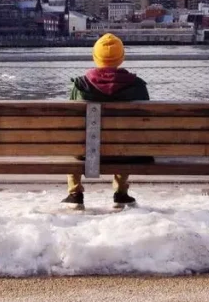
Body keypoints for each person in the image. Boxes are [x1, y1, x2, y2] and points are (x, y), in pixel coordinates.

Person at [63, 33, 150, 210]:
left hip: (85, 153)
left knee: (74, 140)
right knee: (127, 138)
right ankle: (121, 193)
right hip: (124, 152)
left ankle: (75, 194)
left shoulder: (80, 85)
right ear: (122, 57)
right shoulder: (138, 86)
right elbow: (144, 124)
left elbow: (70, 123)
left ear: (95, 57)